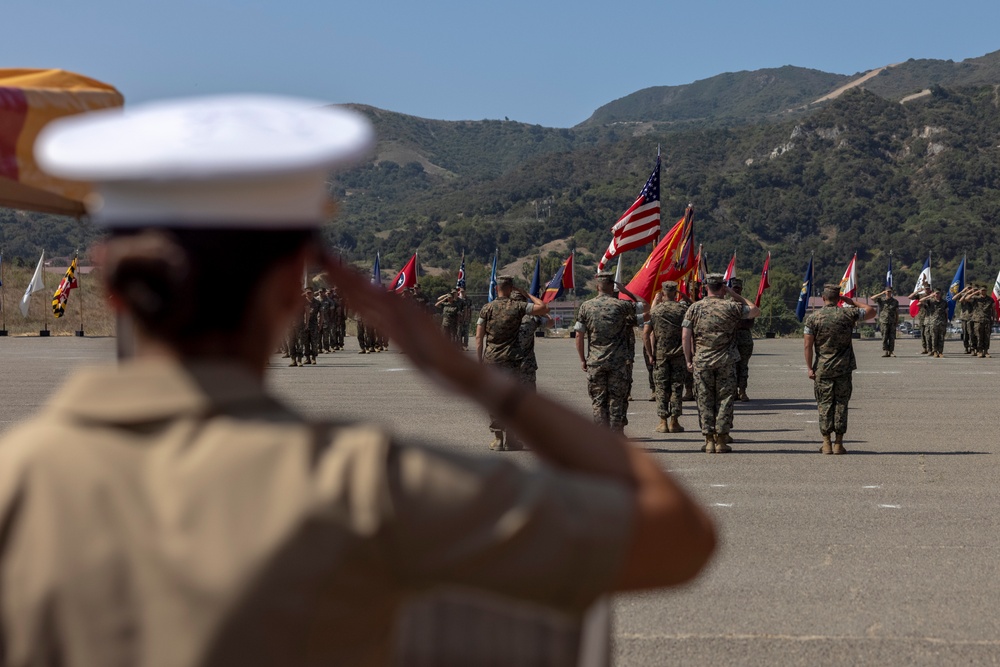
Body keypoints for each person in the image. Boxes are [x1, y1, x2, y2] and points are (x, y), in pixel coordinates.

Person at [1, 95, 715, 666]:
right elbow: (676, 534)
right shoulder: (363, 484)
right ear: (291, 291)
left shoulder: (16, 483)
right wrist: (476, 379)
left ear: (112, 284)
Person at [682, 273, 760, 453]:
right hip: (726, 361)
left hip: (702, 361)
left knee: (704, 400)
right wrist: (734, 294)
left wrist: (688, 359)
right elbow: (754, 310)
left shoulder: (694, 308)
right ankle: (722, 440)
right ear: (723, 287)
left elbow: (686, 336)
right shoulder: (731, 306)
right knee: (725, 400)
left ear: (706, 287)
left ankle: (709, 440)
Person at [476, 276, 549, 450]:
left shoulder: (487, 308)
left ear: (496, 289)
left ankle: (498, 438)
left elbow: (479, 338)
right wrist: (526, 294)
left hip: (492, 360)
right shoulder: (518, 306)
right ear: (510, 289)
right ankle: (511, 439)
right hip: (513, 360)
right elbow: (544, 308)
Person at [803, 284, 875, 454]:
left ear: (823, 298)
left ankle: (826, 442)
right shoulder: (848, 314)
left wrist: (809, 367)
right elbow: (871, 311)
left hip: (823, 368)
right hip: (843, 368)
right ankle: (839, 443)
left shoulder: (814, 318)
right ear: (839, 299)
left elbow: (808, 345)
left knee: (825, 404)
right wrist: (852, 302)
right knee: (841, 404)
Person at [575, 272, 638, 433]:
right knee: (616, 400)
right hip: (618, 363)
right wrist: (627, 292)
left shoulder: (586, 306)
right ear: (612, 287)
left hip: (595, 362)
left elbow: (579, 335)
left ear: (597, 287)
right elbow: (644, 306)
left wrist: (582, 359)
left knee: (598, 401)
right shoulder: (621, 305)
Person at [644, 281, 690, 434]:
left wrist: (650, 354)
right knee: (677, 387)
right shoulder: (683, 310)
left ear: (663, 293)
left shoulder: (655, 311)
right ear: (676, 293)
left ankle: (662, 422)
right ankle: (674, 422)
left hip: (660, 355)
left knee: (662, 387)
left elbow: (646, 334)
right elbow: (689, 334)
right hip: (679, 354)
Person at [730, 277, 755, 400]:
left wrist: (737, 324)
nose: (736, 290)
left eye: (738, 288)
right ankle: (733, 391)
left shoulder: (747, 304)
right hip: (731, 340)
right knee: (732, 367)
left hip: (744, 340)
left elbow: (750, 323)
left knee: (743, 366)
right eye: (734, 288)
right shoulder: (727, 305)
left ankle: (742, 391)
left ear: (741, 289)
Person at [919, 288, 948, 357]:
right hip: (933, 322)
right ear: (934, 293)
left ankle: (940, 352)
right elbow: (920, 301)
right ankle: (934, 351)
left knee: (941, 338)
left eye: (938, 293)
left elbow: (946, 312)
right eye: (936, 293)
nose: (937, 295)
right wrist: (929, 296)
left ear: (941, 294)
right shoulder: (930, 301)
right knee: (934, 338)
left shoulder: (944, 302)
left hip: (942, 322)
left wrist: (946, 321)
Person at [871, 286, 900, 357]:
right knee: (884, 337)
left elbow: (896, 312)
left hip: (892, 321)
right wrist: (881, 293)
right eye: (887, 291)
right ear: (885, 292)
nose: (889, 293)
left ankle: (891, 351)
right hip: (884, 321)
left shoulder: (895, 301)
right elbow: (872, 298)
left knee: (892, 337)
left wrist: (897, 320)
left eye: (890, 291)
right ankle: (886, 351)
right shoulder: (881, 300)